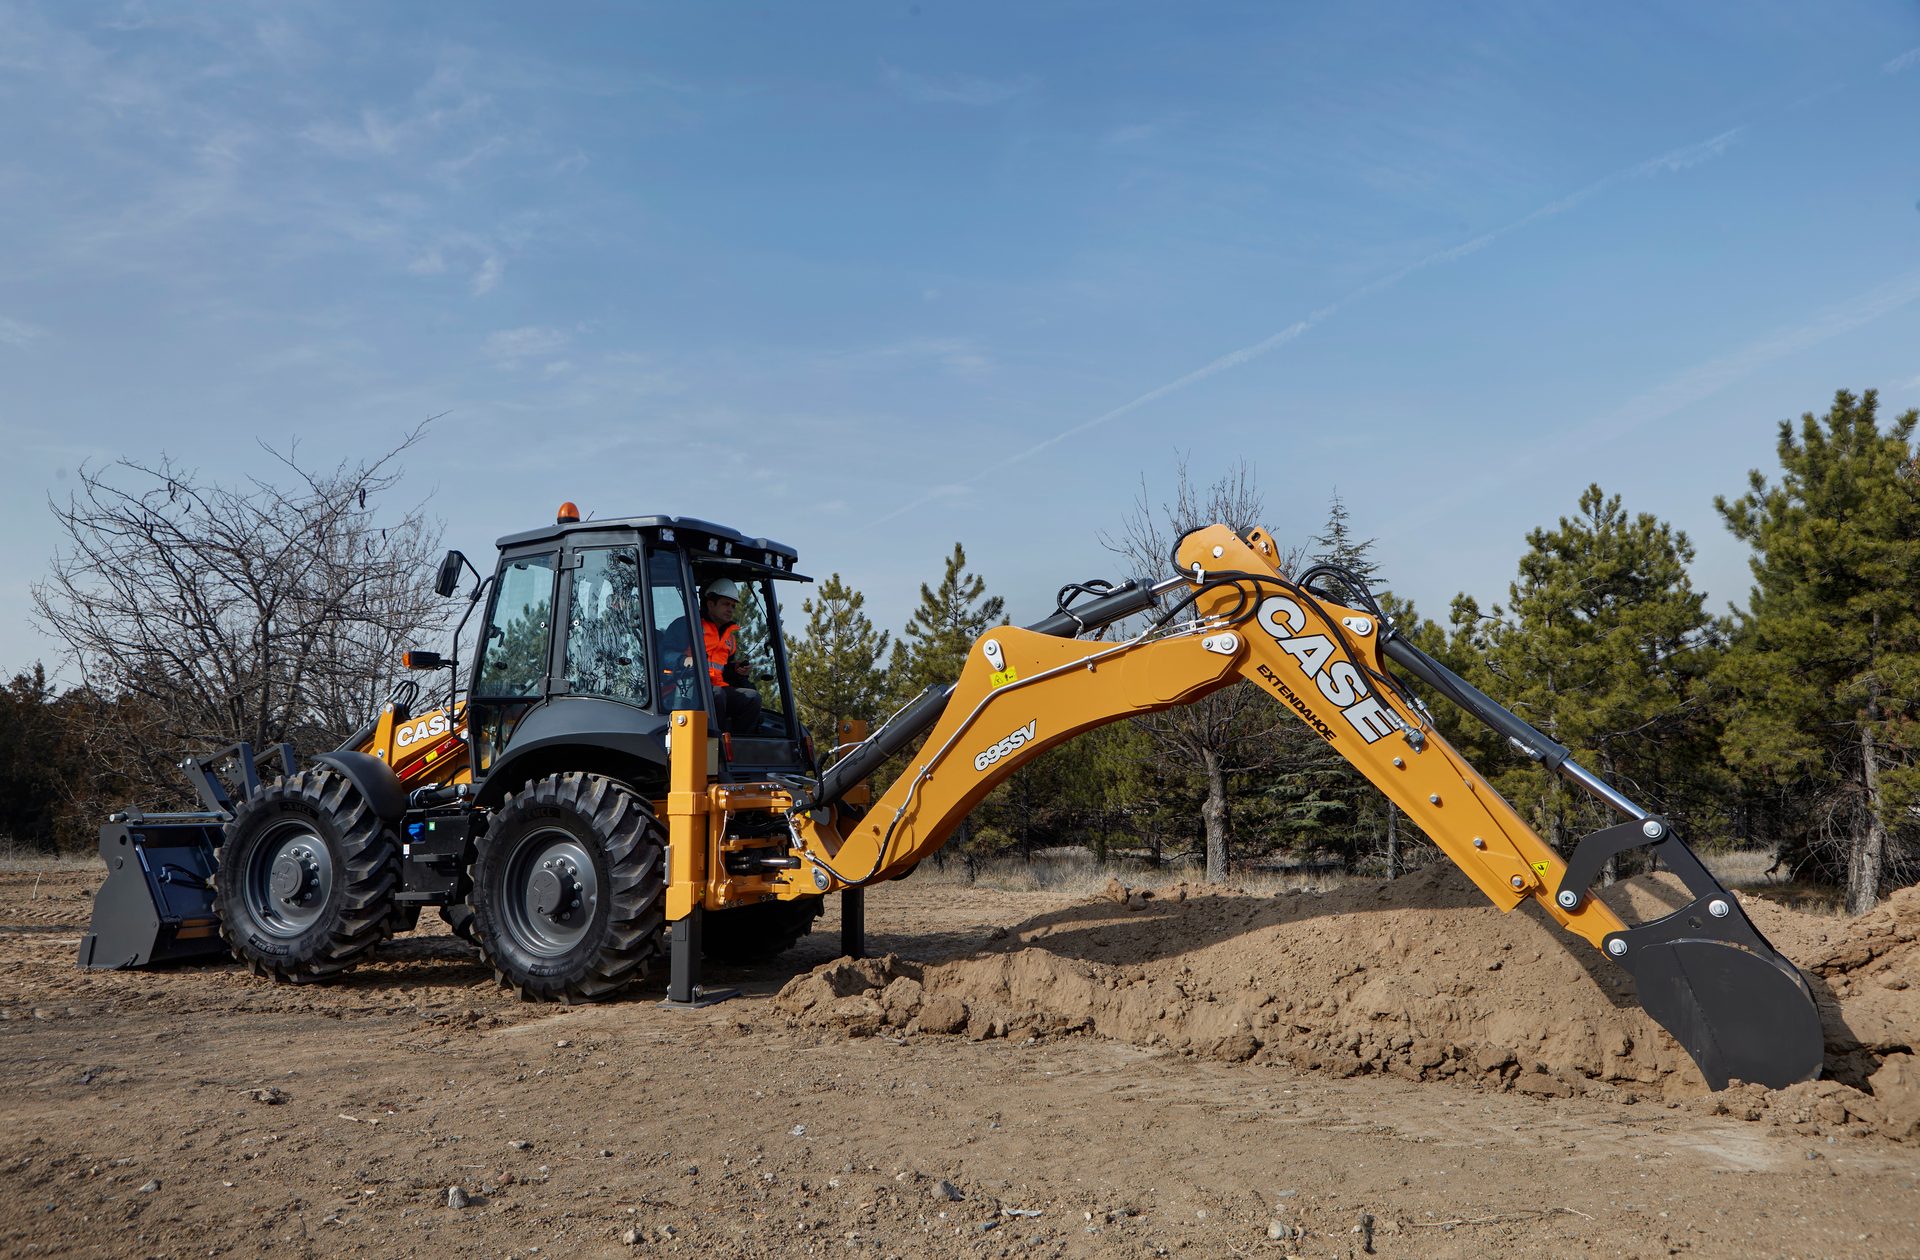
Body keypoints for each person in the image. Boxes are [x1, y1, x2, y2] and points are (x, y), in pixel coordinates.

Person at [691, 578, 762, 734]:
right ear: (710, 604)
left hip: (718, 688)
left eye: (733, 606)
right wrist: (684, 661)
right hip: (689, 688)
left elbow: (723, 669)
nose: (730, 609)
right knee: (717, 695)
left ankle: (739, 746)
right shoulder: (689, 626)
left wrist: (736, 670)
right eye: (725, 604)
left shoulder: (729, 638)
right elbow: (667, 655)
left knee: (752, 698)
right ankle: (717, 744)